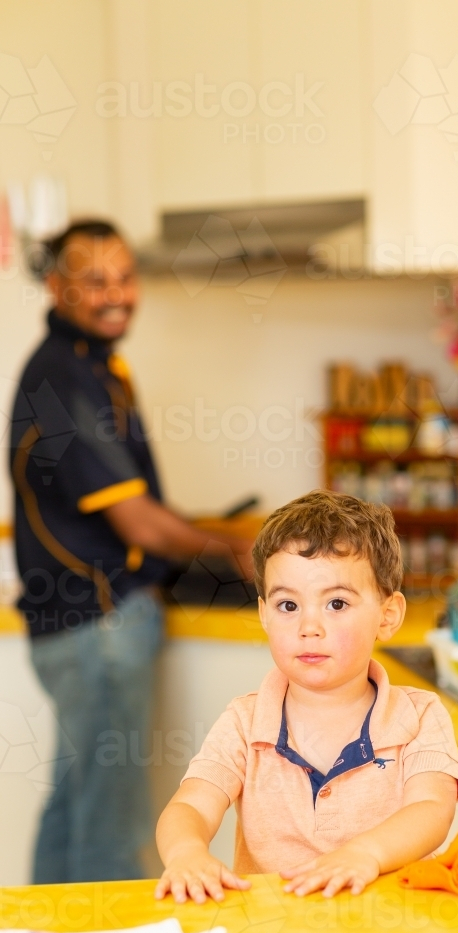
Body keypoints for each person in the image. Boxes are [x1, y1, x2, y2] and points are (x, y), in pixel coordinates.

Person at [9, 219, 253, 884]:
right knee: (111, 834)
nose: (116, 293)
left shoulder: (93, 365)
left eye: (124, 276)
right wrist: (233, 546)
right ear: (56, 287)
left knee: (77, 808)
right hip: (98, 623)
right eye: (94, 280)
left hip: (77, 624)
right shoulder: (65, 379)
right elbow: (140, 523)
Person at [155, 490, 458, 902]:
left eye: (336, 603)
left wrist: (365, 853)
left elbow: (432, 810)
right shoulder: (243, 722)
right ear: (265, 614)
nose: (309, 626)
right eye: (288, 606)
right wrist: (186, 852)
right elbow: (191, 806)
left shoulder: (421, 717)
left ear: (387, 616)